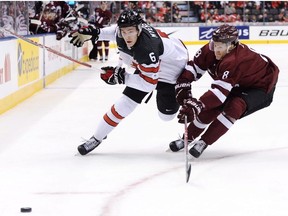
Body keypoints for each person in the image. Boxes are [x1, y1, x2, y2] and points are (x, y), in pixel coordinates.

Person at [69, 10, 189, 155]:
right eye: (124, 31)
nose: (127, 36)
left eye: (130, 31)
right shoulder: (123, 33)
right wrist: (95, 32)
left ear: (139, 29)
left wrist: (121, 77)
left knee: (166, 116)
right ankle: (97, 137)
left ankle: (193, 131)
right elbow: (113, 31)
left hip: (172, 70)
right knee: (125, 103)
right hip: (152, 64)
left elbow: (149, 84)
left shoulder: (146, 49)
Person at [169, 24, 279, 158]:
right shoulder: (210, 49)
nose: (216, 49)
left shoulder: (235, 60)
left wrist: (197, 106)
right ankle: (187, 138)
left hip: (260, 87)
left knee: (234, 107)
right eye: (214, 45)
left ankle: (204, 142)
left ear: (231, 45)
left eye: (220, 46)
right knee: (210, 108)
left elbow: (218, 95)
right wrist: (183, 84)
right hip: (237, 82)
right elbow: (194, 67)